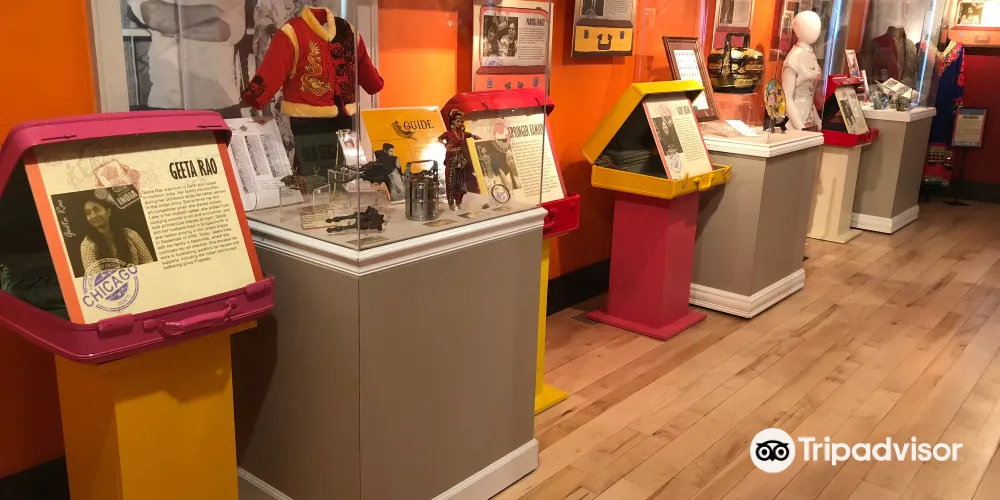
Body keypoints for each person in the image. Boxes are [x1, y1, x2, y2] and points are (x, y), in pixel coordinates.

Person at [127, 0, 246, 116]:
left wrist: (173, 28)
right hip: (167, 102)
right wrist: (212, 10)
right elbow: (157, 17)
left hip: (221, 103)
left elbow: (227, 30)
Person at [79, 198, 155, 272]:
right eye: (88, 213)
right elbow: (94, 276)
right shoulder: (87, 244)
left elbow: (148, 262)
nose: (93, 216)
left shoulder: (130, 234)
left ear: (108, 212)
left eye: (97, 210)